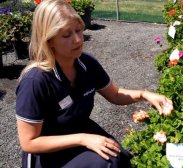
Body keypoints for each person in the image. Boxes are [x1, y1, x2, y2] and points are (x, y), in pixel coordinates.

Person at [15, 0, 173, 167]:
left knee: (121, 158)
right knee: (106, 163)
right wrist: (83, 139)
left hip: (79, 132)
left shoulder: (86, 63)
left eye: (78, 30)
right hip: (48, 153)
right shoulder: (35, 81)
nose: (77, 40)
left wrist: (145, 95)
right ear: (48, 39)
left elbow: (115, 94)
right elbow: (29, 142)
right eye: (66, 35)